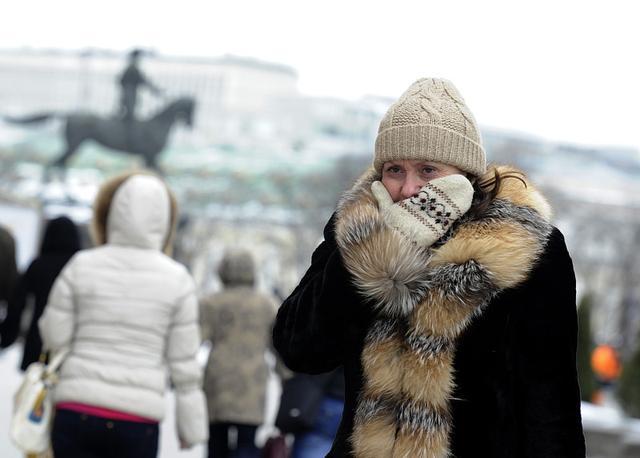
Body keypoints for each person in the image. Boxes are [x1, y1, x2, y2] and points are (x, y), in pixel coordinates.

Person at [273, 78, 586, 457]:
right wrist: (368, 251)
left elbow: (549, 401)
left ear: (463, 171)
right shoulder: (358, 231)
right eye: (394, 170)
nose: (408, 189)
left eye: (427, 169)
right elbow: (299, 348)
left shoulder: (528, 247)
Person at [39, 171, 208, 457]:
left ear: (111, 213)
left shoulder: (81, 265)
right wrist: (191, 428)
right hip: (138, 419)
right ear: (165, 221)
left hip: (76, 408)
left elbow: (55, 336)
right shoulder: (178, 279)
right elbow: (184, 363)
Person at [200, 248, 279, 458]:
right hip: (252, 381)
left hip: (218, 379)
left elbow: (196, 339)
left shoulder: (211, 302)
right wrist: (287, 377)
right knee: (247, 443)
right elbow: (278, 346)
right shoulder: (267, 304)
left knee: (216, 443)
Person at [0, 216, 81, 370]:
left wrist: (7, 334)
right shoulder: (79, 266)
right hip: (70, 344)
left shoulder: (39, 264)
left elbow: (17, 303)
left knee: (33, 385)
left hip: (38, 340)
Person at [118, 49, 163, 122]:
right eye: (138, 58)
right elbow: (143, 81)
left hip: (129, 93)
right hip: (130, 93)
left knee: (127, 112)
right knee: (130, 114)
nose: (139, 60)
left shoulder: (131, 68)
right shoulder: (132, 68)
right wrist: (155, 90)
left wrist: (155, 89)